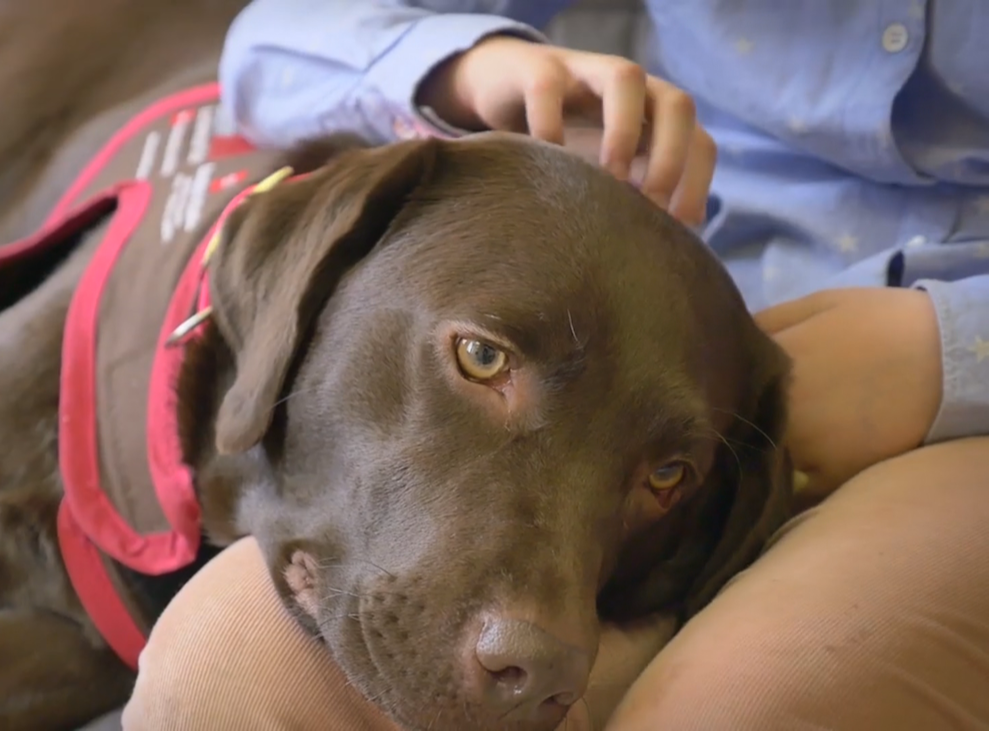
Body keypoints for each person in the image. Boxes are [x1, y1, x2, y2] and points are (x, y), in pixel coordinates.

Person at [122, 2, 989, 728]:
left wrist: (953, 350)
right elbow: (273, 42)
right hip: (642, 341)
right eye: (480, 359)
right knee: (229, 671)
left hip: (950, 435)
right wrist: (465, 66)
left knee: (746, 703)